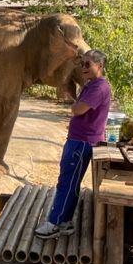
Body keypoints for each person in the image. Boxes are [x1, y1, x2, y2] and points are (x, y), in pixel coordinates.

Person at [35, 49, 111, 239]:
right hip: (79, 138)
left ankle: (55, 222)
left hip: (82, 141)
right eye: (82, 63)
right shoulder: (91, 84)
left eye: (88, 64)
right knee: (68, 181)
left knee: (68, 182)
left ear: (99, 66)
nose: (83, 68)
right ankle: (66, 221)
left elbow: (78, 110)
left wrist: (74, 105)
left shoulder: (99, 87)